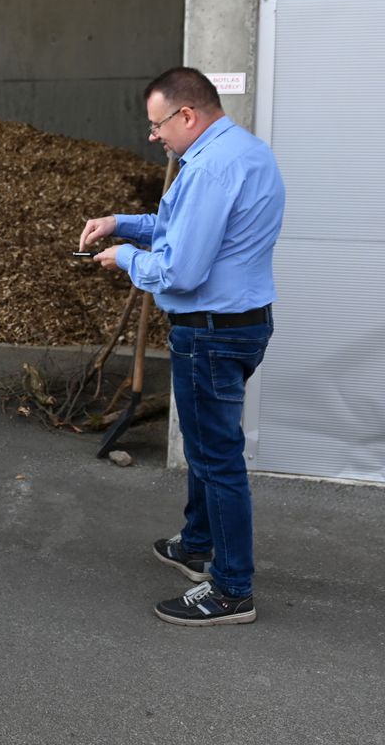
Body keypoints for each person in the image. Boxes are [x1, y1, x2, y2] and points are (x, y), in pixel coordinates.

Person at [79, 67, 284, 626]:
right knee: (207, 445)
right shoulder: (247, 152)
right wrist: (119, 222)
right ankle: (196, 544)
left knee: (217, 459)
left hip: (211, 333)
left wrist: (123, 258)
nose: (154, 137)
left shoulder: (211, 169)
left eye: (158, 124)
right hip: (240, 326)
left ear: (187, 115)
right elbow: (181, 230)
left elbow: (182, 269)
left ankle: (231, 589)